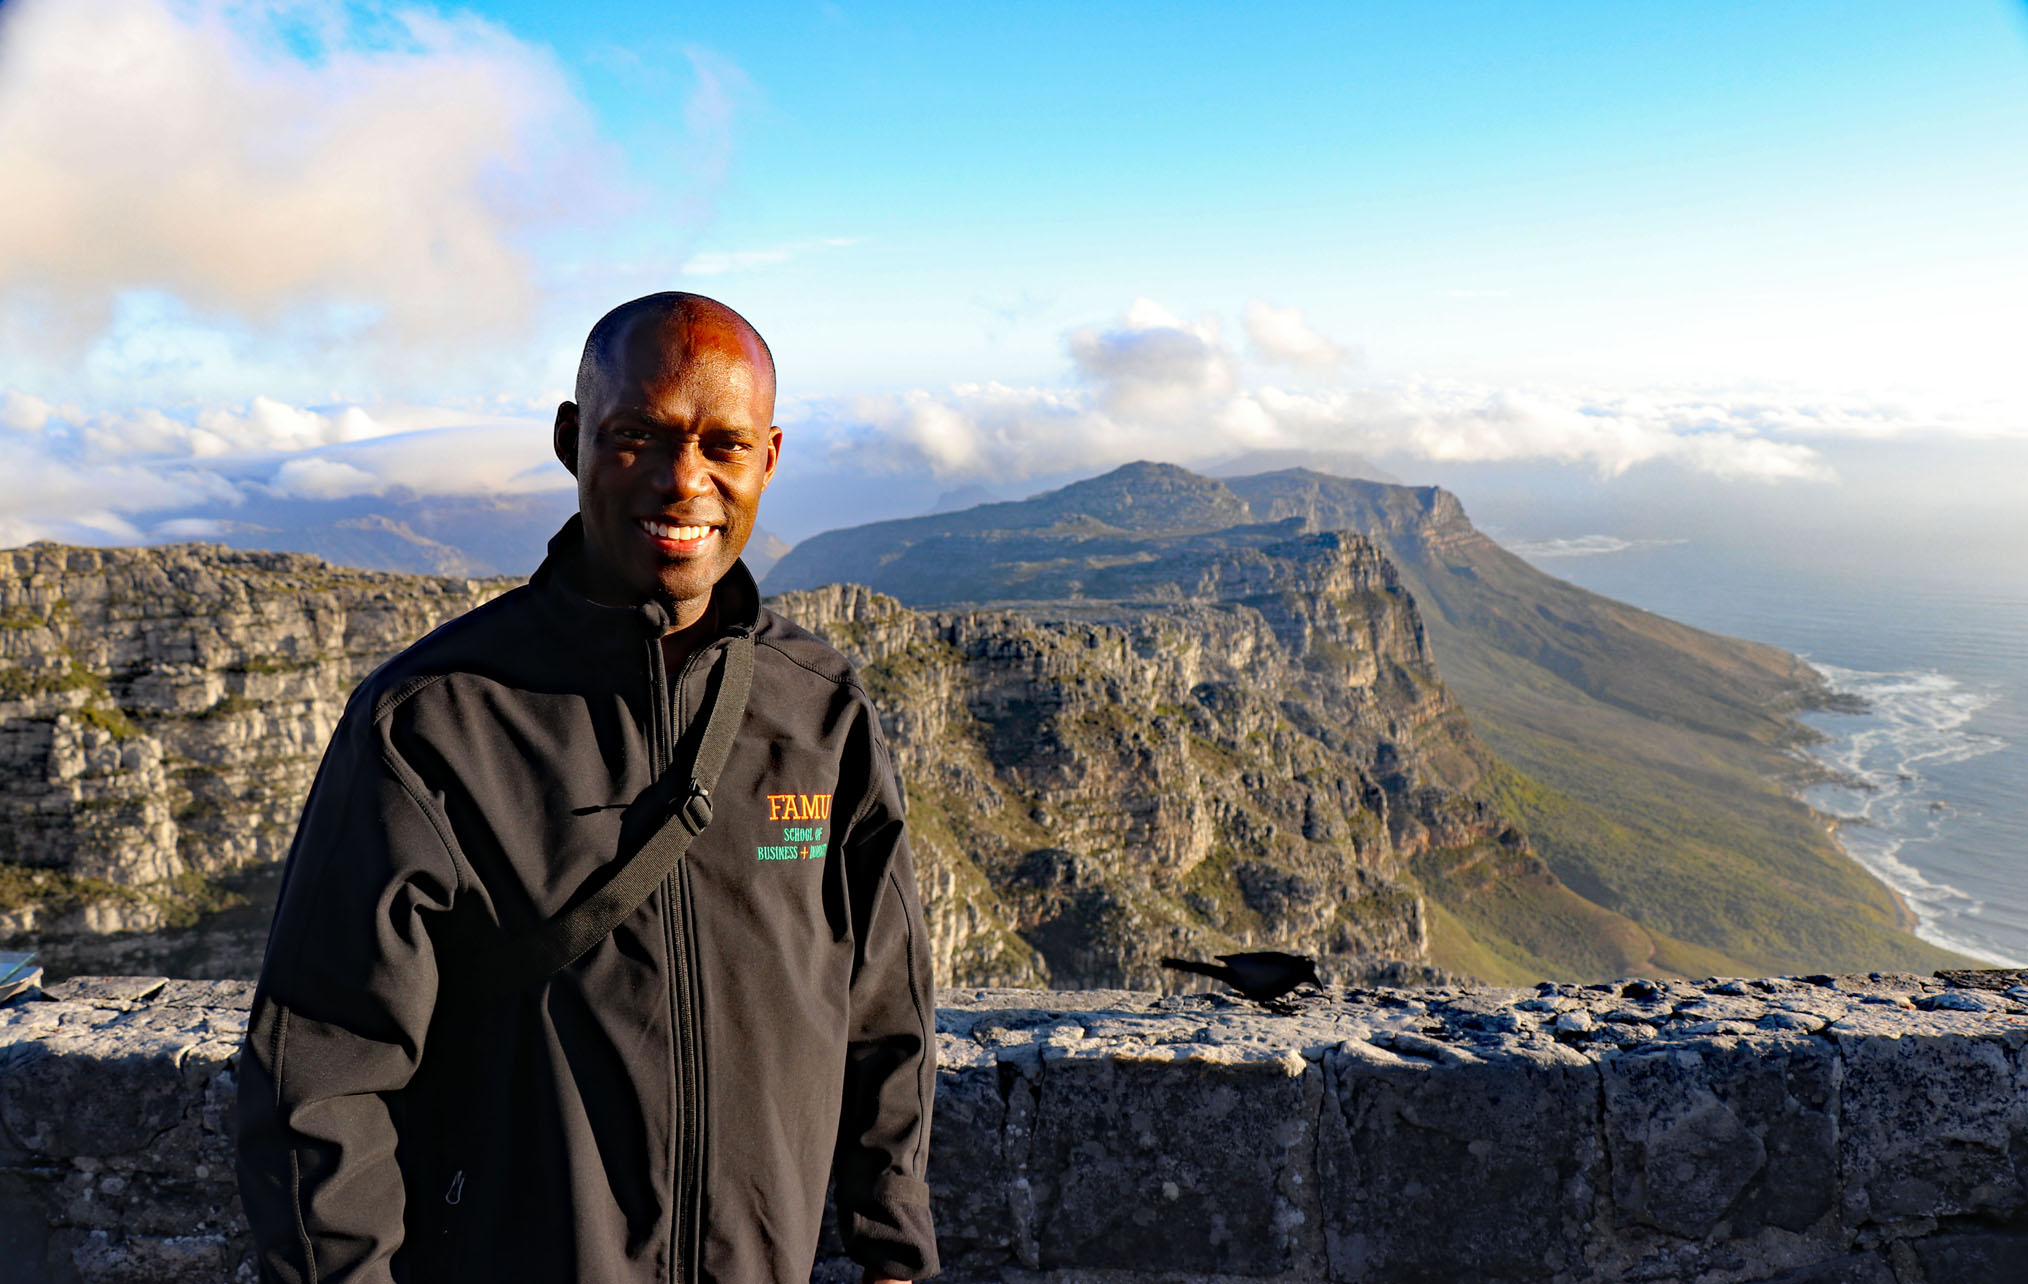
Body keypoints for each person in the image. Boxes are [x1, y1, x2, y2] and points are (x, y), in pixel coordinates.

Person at [236, 293, 939, 1284]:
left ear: (768, 459)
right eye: (637, 437)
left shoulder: (819, 713)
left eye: (722, 446)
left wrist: (895, 1253)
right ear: (573, 439)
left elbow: (883, 1011)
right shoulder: (435, 723)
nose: (682, 481)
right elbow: (319, 1068)